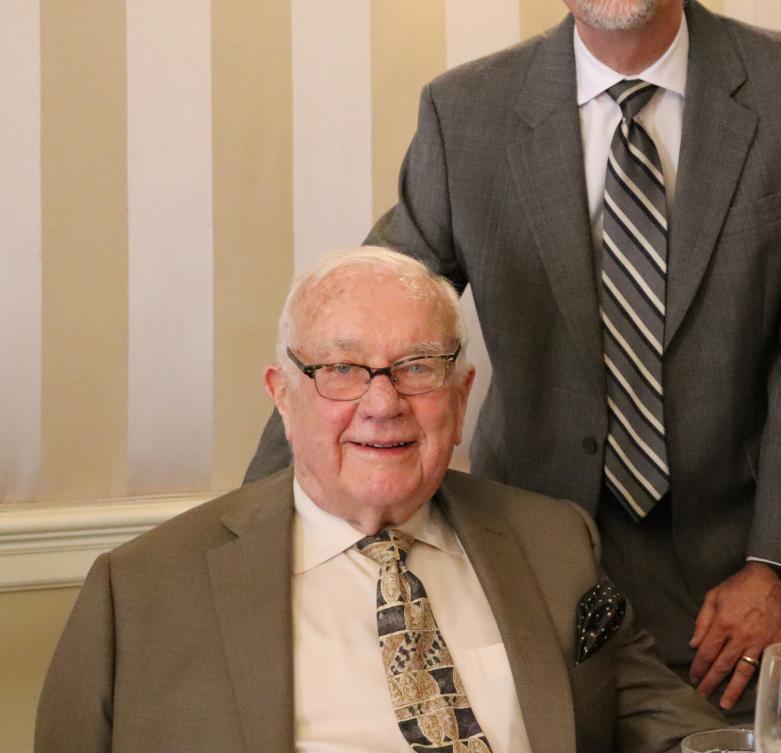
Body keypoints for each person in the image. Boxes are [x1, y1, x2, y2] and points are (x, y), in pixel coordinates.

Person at [246, 0, 781, 717]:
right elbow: (366, 316)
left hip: (736, 588)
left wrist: (775, 567)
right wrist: (252, 530)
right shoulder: (471, 114)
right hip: (527, 560)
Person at [35, 247, 727, 753]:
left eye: (418, 366)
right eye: (342, 369)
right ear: (282, 393)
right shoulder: (141, 591)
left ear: (460, 397)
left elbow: (666, 725)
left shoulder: (553, 543)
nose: (382, 403)